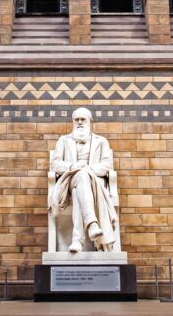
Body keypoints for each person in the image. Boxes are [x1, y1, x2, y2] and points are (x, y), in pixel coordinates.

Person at [48, 107, 119, 253]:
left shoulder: (101, 141)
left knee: (79, 188)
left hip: (92, 183)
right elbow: (55, 164)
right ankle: (92, 224)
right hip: (69, 181)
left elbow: (107, 165)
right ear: (73, 122)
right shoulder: (63, 140)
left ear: (89, 121)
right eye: (77, 120)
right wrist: (74, 166)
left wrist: (88, 170)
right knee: (80, 176)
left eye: (83, 119)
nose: (79, 122)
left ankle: (77, 241)